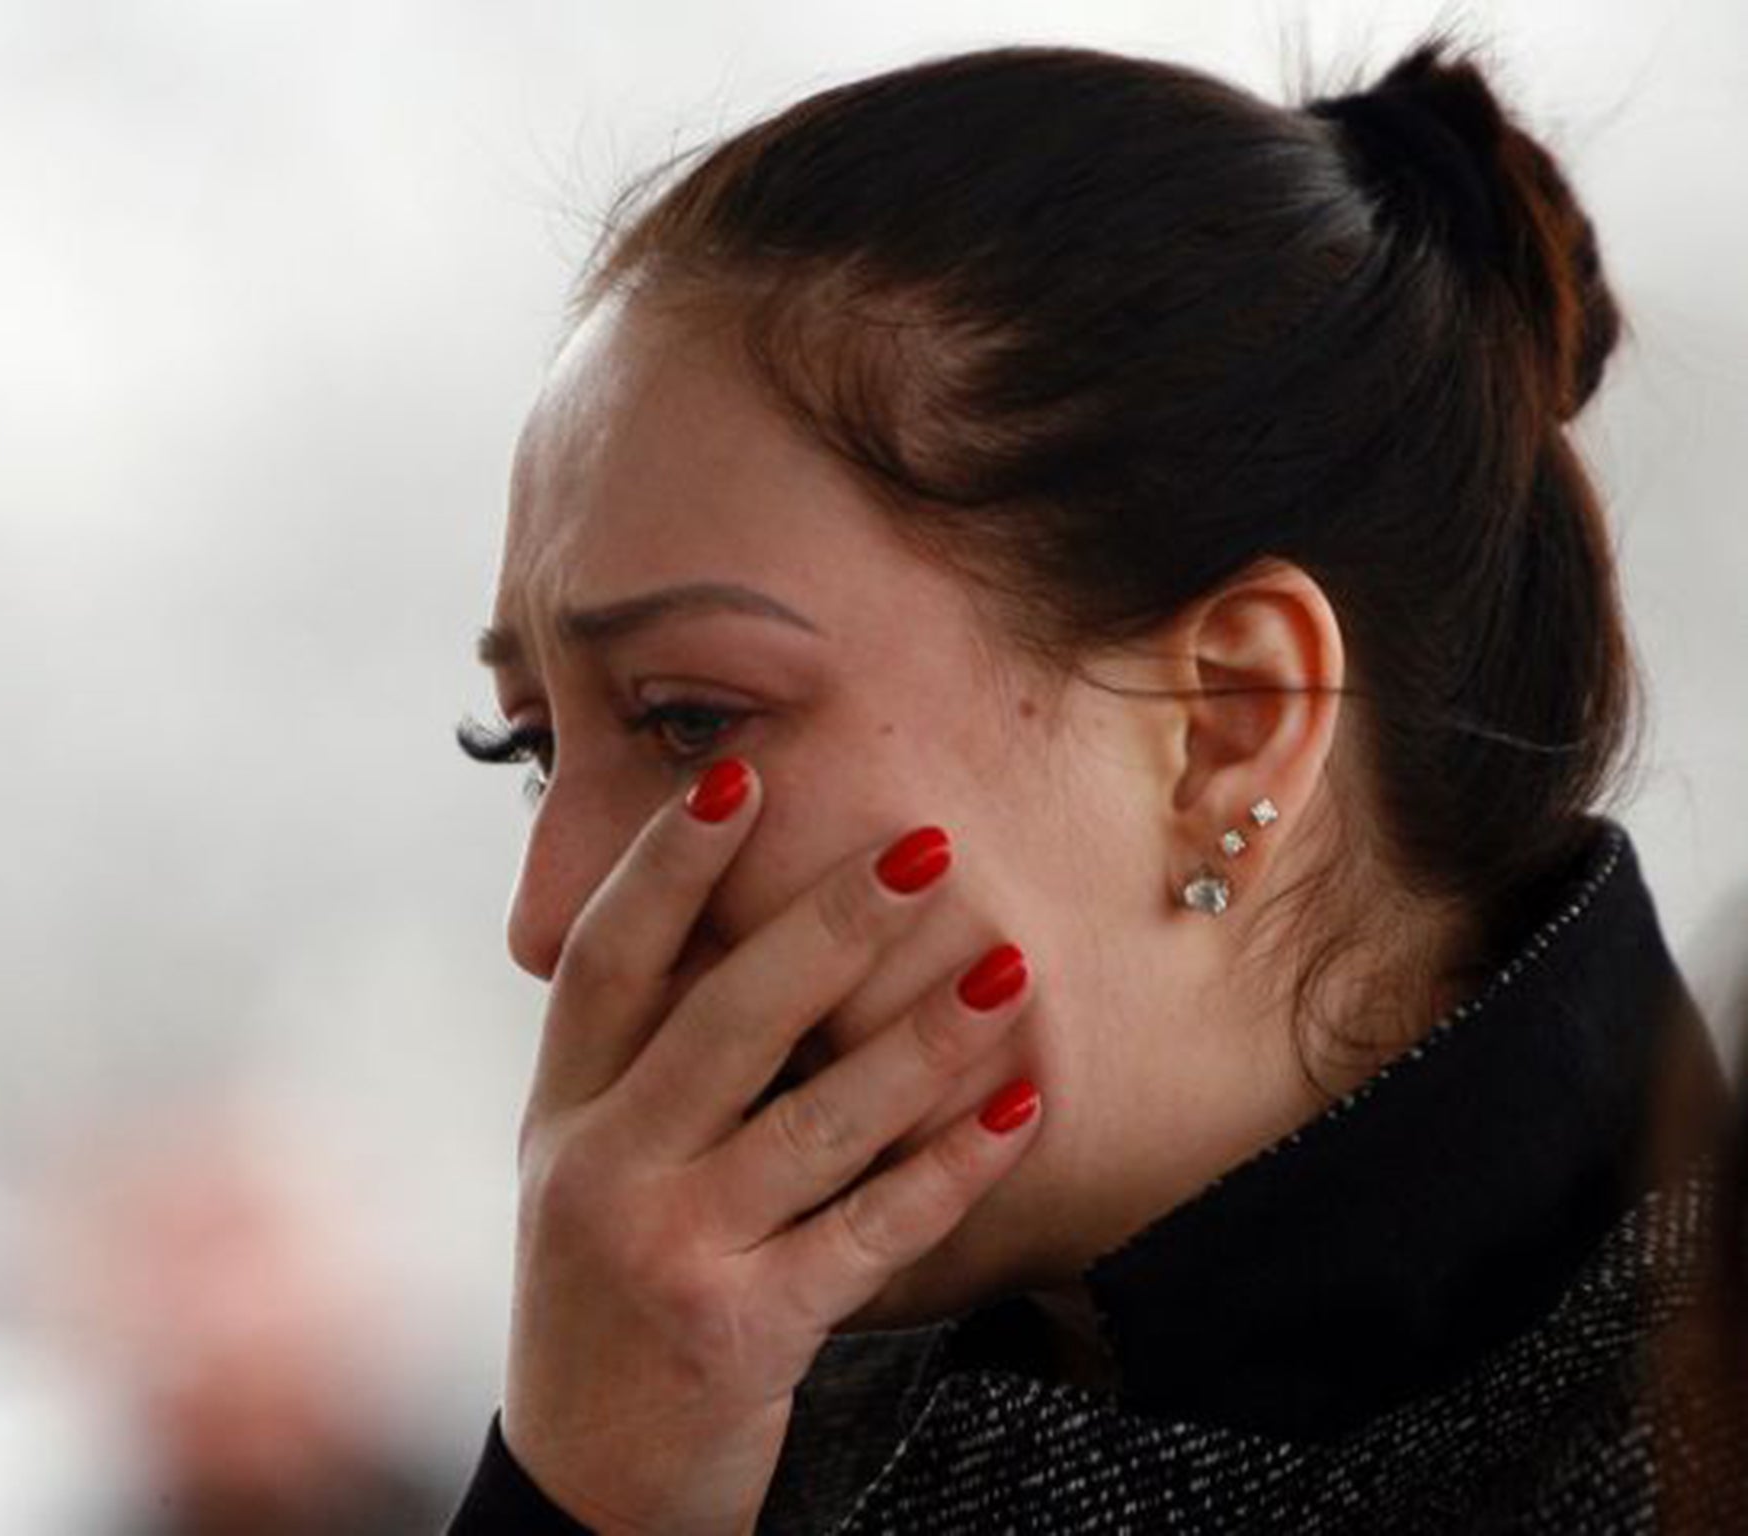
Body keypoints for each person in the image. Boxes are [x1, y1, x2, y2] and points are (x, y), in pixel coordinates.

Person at [445, 32, 1744, 1534]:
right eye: (531, 752)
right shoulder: (724, 1405)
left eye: (688, 721)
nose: (548, 924)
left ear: (1233, 722)